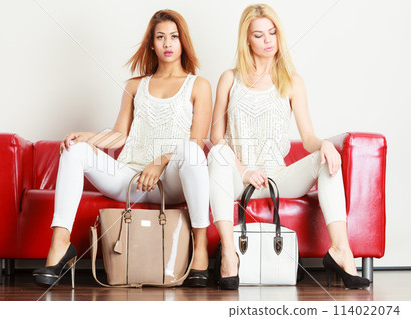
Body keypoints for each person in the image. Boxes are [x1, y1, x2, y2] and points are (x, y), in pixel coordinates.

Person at [33, 9, 212, 288]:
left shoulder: (198, 85)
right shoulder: (134, 85)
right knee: (74, 150)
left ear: (183, 42)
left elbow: (196, 142)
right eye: (160, 37)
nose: (167, 43)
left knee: (193, 153)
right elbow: (119, 135)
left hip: (172, 180)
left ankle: (200, 251)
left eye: (174, 37)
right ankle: (60, 245)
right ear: (152, 43)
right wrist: (88, 138)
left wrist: (160, 161)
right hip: (131, 178)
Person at [207, 4, 370, 290]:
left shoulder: (292, 81)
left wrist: (324, 146)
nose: (268, 40)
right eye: (259, 35)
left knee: (326, 157)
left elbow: (308, 137)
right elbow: (216, 136)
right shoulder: (229, 79)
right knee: (218, 152)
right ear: (246, 39)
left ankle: (341, 251)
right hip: (237, 178)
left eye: (272, 33)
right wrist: (243, 171)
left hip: (276, 179)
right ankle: (230, 256)